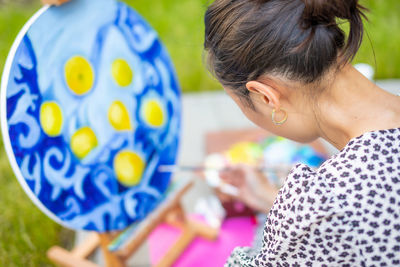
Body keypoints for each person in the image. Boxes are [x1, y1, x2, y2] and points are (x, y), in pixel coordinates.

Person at [204, 0, 400, 266]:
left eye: (241, 106)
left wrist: (291, 214)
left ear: (266, 96)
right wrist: (274, 203)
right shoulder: (332, 205)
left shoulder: (323, 202)